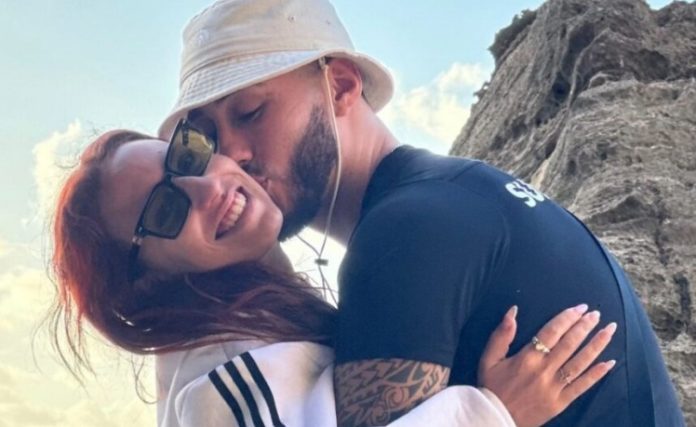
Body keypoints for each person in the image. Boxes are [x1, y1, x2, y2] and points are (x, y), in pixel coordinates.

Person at [156, 0, 685, 426]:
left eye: (250, 112)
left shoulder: (404, 235)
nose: (231, 155)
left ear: (340, 86)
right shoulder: (462, 193)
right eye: (210, 138)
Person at [49, 122, 614, 427]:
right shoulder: (221, 381)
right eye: (162, 210)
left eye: (188, 156)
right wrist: (496, 413)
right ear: (148, 282)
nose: (206, 187)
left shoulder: (259, 326)